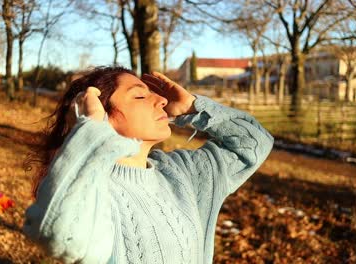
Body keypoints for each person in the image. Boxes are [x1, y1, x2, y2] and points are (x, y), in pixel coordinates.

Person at [22, 65, 274, 264]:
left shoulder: (182, 173)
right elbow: (59, 234)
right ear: (99, 115)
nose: (161, 100)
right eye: (140, 95)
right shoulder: (94, 190)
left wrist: (193, 108)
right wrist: (90, 131)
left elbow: (254, 143)